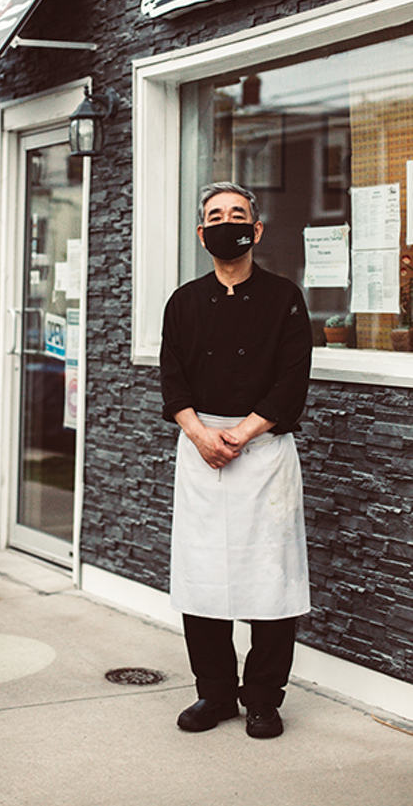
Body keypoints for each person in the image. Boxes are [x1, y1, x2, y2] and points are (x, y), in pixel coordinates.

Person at [160, 182, 312, 739]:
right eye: (216, 217)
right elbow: (172, 379)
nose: (228, 224)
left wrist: (241, 434)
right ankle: (215, 693)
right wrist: (201, 436)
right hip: (200, 449)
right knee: (202, 577)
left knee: (272, 580)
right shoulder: (183, 302)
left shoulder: (284, 297)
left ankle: (264, 699)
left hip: (264, 451)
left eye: (238, 214)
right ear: (203, 234)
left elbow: (291, 380)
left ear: (257, 229)